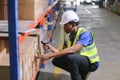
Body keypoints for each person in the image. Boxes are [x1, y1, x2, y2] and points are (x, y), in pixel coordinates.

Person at [36, 10, 100, 80]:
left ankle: (78, 76)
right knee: (56, 60)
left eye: (66, 25)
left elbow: (74, 49)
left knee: (70, 58)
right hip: (78, 60)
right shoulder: (68, 36)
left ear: (73, 25)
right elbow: (62, 52)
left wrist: (49, 55)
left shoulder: (85, 34)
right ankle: (80, 73)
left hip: (91, 63)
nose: (64, 27)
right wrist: (51, 48)